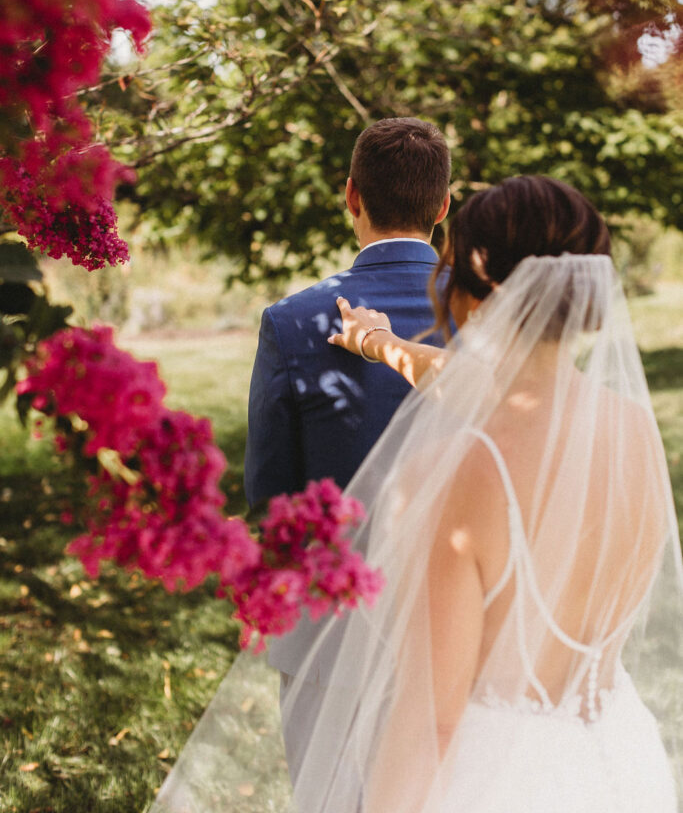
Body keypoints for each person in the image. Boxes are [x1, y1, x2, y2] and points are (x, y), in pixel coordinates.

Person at [280, 175, 683, 813]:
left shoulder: (456, 475)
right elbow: (469, 378)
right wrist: (379, 343)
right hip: (618, 760)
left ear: (469, 293)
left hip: (497, 781)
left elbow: (431, 722)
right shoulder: (634, 431)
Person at [243, 116, 451, 780]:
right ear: (444, 206)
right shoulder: (496, 310)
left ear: (350, 195)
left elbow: (268, 490)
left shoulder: (293, 320)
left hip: (331, 624)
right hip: (457, 619)